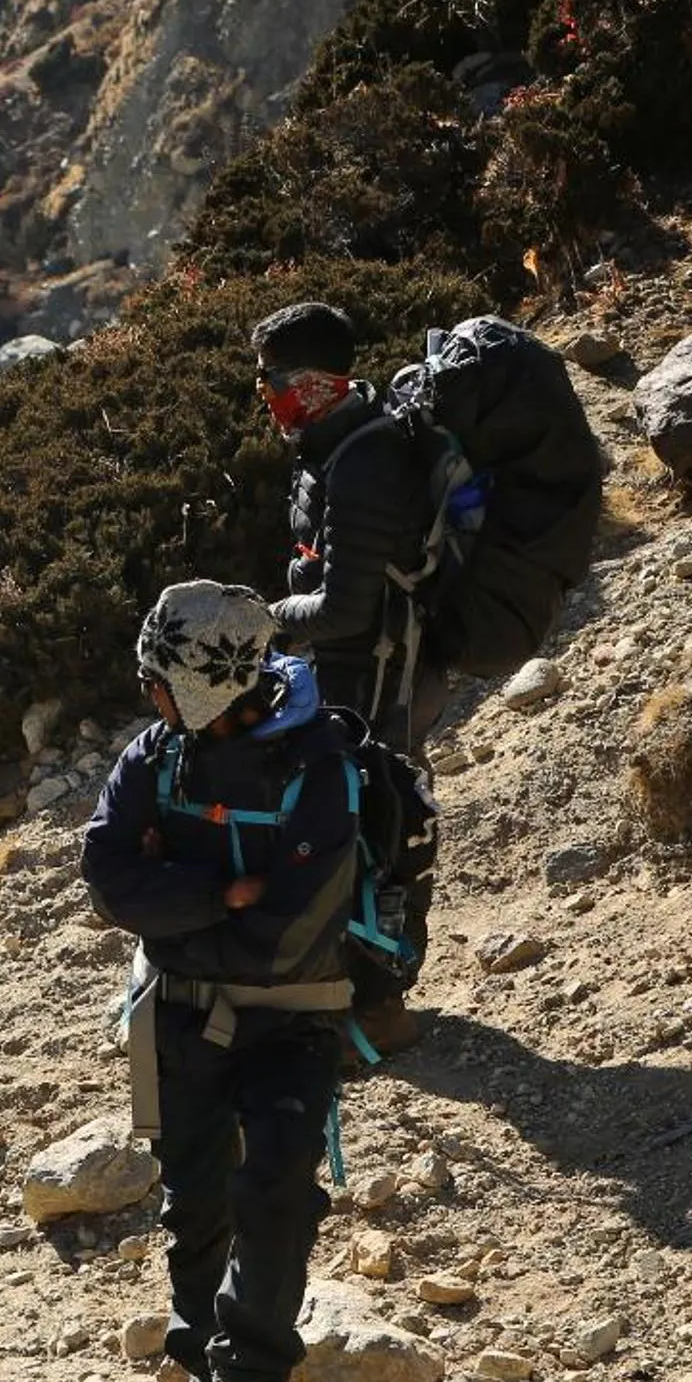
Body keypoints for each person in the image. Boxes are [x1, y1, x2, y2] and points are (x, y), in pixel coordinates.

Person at [81, 580, 360, 1382]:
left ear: (204, 684)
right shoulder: (154, 756)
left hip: (293, 1019)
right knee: (195, 1202)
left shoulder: (320, 769)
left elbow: (291, 932)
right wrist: (220, 895)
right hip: (180, 1015)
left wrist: (177, 906)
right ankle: (205, 1378)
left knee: (276, 1191)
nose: (148, 696)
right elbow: (107, 879)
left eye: (159, 680)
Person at [252, 300, 442, 1051]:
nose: (266, 398)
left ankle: (381, 1008)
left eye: (274, 382)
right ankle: (349, 998)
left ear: (317, 383)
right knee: (346, 831)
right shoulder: (327, 446)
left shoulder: (363, 461)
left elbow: (344, 607)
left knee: (381, 833)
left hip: (379, 679)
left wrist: (266, 618)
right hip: (353, 677)